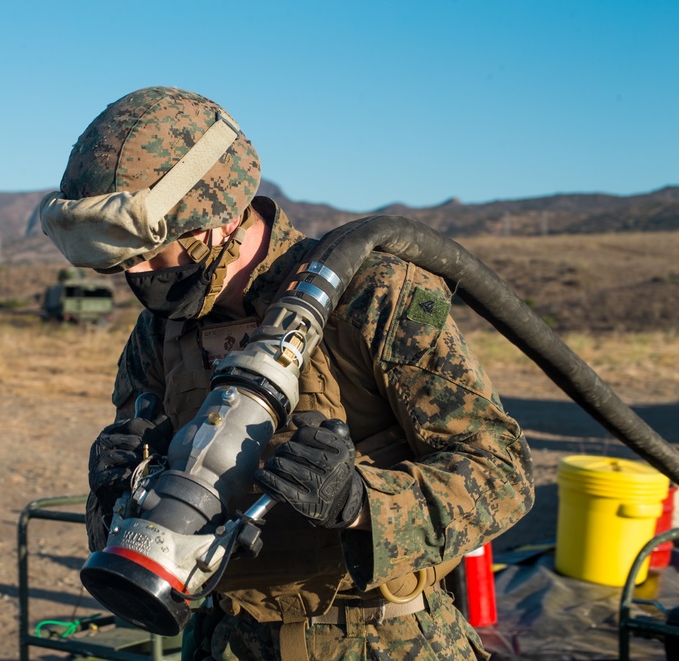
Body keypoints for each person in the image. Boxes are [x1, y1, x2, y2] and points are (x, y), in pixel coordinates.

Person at [35, 86, 534, 661]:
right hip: (224, 641)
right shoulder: (159, 332)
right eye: (120, 258)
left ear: (213, 218)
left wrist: (362, 502)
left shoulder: (373, 295)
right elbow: (134, 544)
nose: (135, 272)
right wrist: (114, 492)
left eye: (149, 248)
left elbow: (502, 472)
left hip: (383, 642)